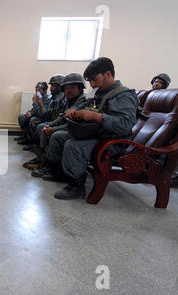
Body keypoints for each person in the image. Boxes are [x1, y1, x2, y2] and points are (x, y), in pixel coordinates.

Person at [54, 57, 139, 200]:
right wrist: (74, 110)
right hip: (98, 134)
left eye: (95, 80)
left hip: (115, 141)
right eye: (90, 81)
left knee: (73, 145)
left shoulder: (124, 95)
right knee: (59, 136)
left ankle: (77, 186)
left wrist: (97, 117)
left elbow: (125, 124)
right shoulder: (98, 93)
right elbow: (80, 106)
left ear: (108, 74)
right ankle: (64, 173)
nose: (92, 84)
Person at [29, 73, 88, 176]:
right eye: (66, 88)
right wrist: (50, 125)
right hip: (65, 125)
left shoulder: (82, 102)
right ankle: (44, 159)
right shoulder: (68, 100)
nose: (68, 90)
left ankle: (52, 167)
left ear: (80, 88)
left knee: (56, 135)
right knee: (44, 127)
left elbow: (72, 124)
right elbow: (61, 117)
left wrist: (53, 128)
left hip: (77, 130)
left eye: (72, 88)